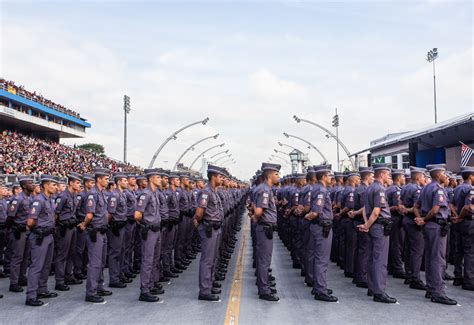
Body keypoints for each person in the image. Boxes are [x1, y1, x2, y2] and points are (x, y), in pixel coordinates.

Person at [415, 164, 457, 305]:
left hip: (429, 226)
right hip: (436, 225)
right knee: (438, 259)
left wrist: (421, 219)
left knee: (430, 258)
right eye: (444, 174)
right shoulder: (438, 189)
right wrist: (424, 218)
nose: (446, 176)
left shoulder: (426, 187)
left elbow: (416, 206)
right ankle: (438, 292)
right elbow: (435, 209)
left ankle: (431, 288)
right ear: (438, 175)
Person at [358, 163, 397, 303]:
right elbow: (376, 211)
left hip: (374, 227)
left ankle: (372, 287)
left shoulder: (369, 188)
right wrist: (367, 225)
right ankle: (379, 292)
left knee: (372, 258)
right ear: (381, 175)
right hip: (379, 227)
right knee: (380, 260)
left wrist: (366, 224)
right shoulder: (380, 189)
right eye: (387, 174)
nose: (389, 176)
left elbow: (364, 209)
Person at [78, 168, 113, 303]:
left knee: (102, 262)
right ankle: (91, 292)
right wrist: (84, 224)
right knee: (95, 263)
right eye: (105, 178)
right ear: (98, 179)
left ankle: (99, 287)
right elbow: (89, 215)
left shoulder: (102, 193)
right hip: (95, 231)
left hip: (102, 230)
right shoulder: (92, 194)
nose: (107, 180)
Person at [305, 164, 338, 302]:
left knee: (319, 258)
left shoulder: (318, 188)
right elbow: (316, 211)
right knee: (322, 259)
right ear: (323, 177)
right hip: (321, 227)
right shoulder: (321, 190)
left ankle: (319, 285)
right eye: (329, 175)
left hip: (319, 226)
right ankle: (320, 290)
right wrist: (308, 217)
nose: (331, 178)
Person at [193, 164, 226, 301]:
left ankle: (209, 284)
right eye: (220, 177)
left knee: (213, 259)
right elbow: (200, 212)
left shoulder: (214, 191)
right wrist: (199, 221)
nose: (222, 179)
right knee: (207, 260)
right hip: (208, 228)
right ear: (213, 177)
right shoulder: (206, 192)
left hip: (215, 228)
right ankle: (204, 290)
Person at [25, 175, 59, 306]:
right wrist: (37, 230)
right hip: (40, 236)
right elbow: (30, 221)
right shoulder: (38, 200)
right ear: (45, 185)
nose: (55, 187)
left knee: (46, 265)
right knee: (36, 266)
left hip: (49, 235)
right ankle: (31, 296)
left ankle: (42, 289)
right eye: (53, 184)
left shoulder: (50, 199)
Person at [252, 162, 281, 302]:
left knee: (263, 259)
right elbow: (258, 211)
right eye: (276, 174)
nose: (278, 177)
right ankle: (264, 290)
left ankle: (264, 285)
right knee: (264, 260)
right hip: (265, 228)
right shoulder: (264, 190)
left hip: (264, 228)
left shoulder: (265, 188)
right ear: (270, 175)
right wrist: (256, 217)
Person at [135, 169, 163, 302]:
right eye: (158, 177)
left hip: (156, 230)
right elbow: (137, 215)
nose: (160, 179)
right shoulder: (145, 194)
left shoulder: (155, 193)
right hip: (150, 231)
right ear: (151, 179)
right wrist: (144, 225)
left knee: (154, 259)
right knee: (147, 260)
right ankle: (144, 290)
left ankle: (151, 285)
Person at [54, 172, 83, 292]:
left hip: (72, 227)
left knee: (72, 253)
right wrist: (58, 226)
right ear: (70, 183)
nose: (79, 185)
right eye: (77, 183)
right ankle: (59, 281)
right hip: (64, 228)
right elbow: (55, 213)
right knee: (62, 255)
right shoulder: (63, 196)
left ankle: (68, 276)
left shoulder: (74, 195)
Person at [7, 175, 34, 293]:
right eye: (30, 183)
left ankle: (22, 278)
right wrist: (13, 229)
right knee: (17, 257)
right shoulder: (17, 199)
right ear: (24, 186)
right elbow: (10, 217)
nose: (32, 185)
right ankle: (13, 282)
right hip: (19, 231)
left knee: (25, 257)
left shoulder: (31, 198)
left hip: (28, 230)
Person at [452, 166, 474, 290]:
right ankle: (469, 281)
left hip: (459, 222)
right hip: (468, 221)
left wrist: (456, 215)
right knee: (470, 252)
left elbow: (451, 204)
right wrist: (460, 217)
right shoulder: (470, 189)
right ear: (470, 177)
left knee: (458, 250)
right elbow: (467, 207)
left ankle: (458, 277)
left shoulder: (457, 188)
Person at [107, 173, 129, 289]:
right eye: (124, 180)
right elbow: (110, 213)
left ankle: (119, 274)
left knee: (121, 251)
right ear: (118, 182)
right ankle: (114, 278)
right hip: (116, 227)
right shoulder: (114, 195)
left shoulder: (122, 194)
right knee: (115, 253)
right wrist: (111, 225)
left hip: (122, 225)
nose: (126, 182)